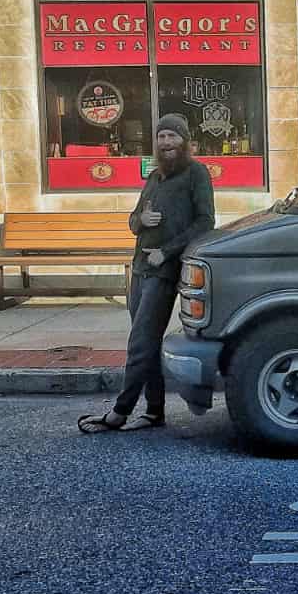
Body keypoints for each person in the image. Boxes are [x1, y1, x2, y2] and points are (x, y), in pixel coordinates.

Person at [78, 114, 215, 433]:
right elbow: (132, 220)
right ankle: (154, 412)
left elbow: (205, 222)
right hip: (139, 270)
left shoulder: (196, 174)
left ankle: (119, 412)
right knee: (147, 344)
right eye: (162, 137)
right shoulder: (155, 177)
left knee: (139, 343)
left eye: (173, 136)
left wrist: (165, 252)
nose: (166, 142)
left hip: (163, 273)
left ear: (185, 141)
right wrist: (143, 219)